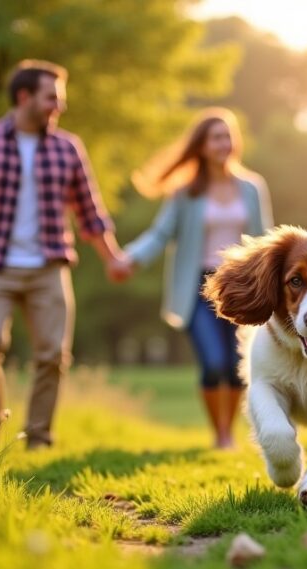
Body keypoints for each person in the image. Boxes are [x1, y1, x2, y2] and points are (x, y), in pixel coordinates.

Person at [0, 59, 125, 449]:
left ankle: (38, 437)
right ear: (24, 97)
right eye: (52, 97)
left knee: (53, 355)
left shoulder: (68, 147)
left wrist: (112, 258)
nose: (60, 106)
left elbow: (90, 211)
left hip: (49, 266)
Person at [112, 108, 273, 449]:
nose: (223, 143)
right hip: (198, 287)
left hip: (240, 286)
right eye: (216, 137)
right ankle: (221, 433)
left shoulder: (252, 187)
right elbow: (160, 234)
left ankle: (228, 432)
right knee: (214, 362)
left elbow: (263, 239)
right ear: (201, 146)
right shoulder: (186, 193)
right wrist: (130, 259)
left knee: (236, 364)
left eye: (228, 136)